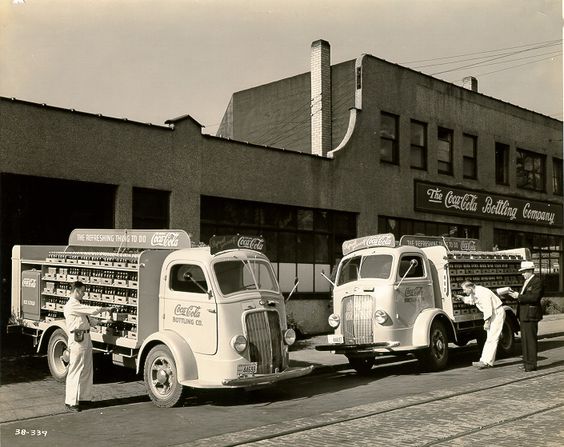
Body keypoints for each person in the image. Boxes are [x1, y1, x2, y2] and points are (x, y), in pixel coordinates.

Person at [63, 281, 113, 412]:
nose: (84, 294)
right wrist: (105, 309)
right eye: (83, 291)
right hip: (77, 339)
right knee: (76, 370)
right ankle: (71, 401)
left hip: (85, 337)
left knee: (86, 369)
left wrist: (104, 322)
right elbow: (91, 310)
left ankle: (84, 398)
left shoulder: (78, 306)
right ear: (77, 291)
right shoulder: (72, 305)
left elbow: (89, 320)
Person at [456, 280, 505, 369]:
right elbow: (472, 300)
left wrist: (487, 322)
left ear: (470, 288)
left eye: (464, 290)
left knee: (493, 338)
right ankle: (484, 361)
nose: (464, 291)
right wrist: (462, 298)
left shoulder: (482, 293)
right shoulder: (474, 292)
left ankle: (487, 362)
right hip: (493, 313)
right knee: (490, 338)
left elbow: (488, 308)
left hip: (496, 313)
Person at [509, 261, 544, 372]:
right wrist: (513, 296)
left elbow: (534, 298)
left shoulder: (537, 282)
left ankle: (531, 365)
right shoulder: (527, 282)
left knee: (530, 340)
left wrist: (518, 296)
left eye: (524, 272)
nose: (522, 274)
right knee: (525, 341)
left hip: (530, 315)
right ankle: (527, 363)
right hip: (525, 315)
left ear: (530, 271)